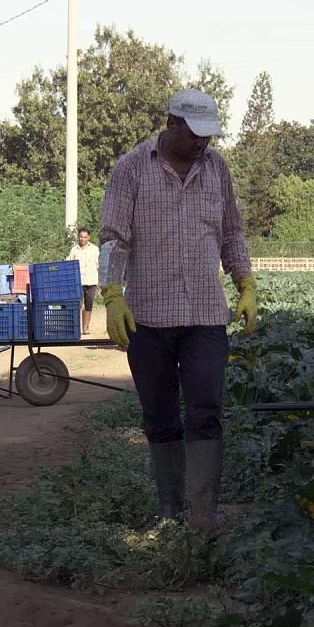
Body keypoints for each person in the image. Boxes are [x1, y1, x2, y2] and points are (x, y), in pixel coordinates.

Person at [98, 89, 258, 533]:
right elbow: (114, 236)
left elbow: (231, 232)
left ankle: (204, 512)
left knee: (206, 411)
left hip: (207, 315)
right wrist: (112, 294)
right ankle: (170, 510)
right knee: (161, 418)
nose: (202, 143)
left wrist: (245, 281)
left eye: (208, 135)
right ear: (171, 123)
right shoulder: (132, 168)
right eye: (194, 134)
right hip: (148, 317)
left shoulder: (217, 168)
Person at [66, 227, 99, 334]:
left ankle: (86, 327)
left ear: (89, 237)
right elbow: (69, 264)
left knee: (89, 305)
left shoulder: (94, 249)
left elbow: (99, 265)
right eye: (81, 237)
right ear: (78, 237)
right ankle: (76, 328)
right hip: (78, 282)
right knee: (77, 305)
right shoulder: (74, 250)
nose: (83, 239)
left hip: (91, 281)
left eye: (85, 237)